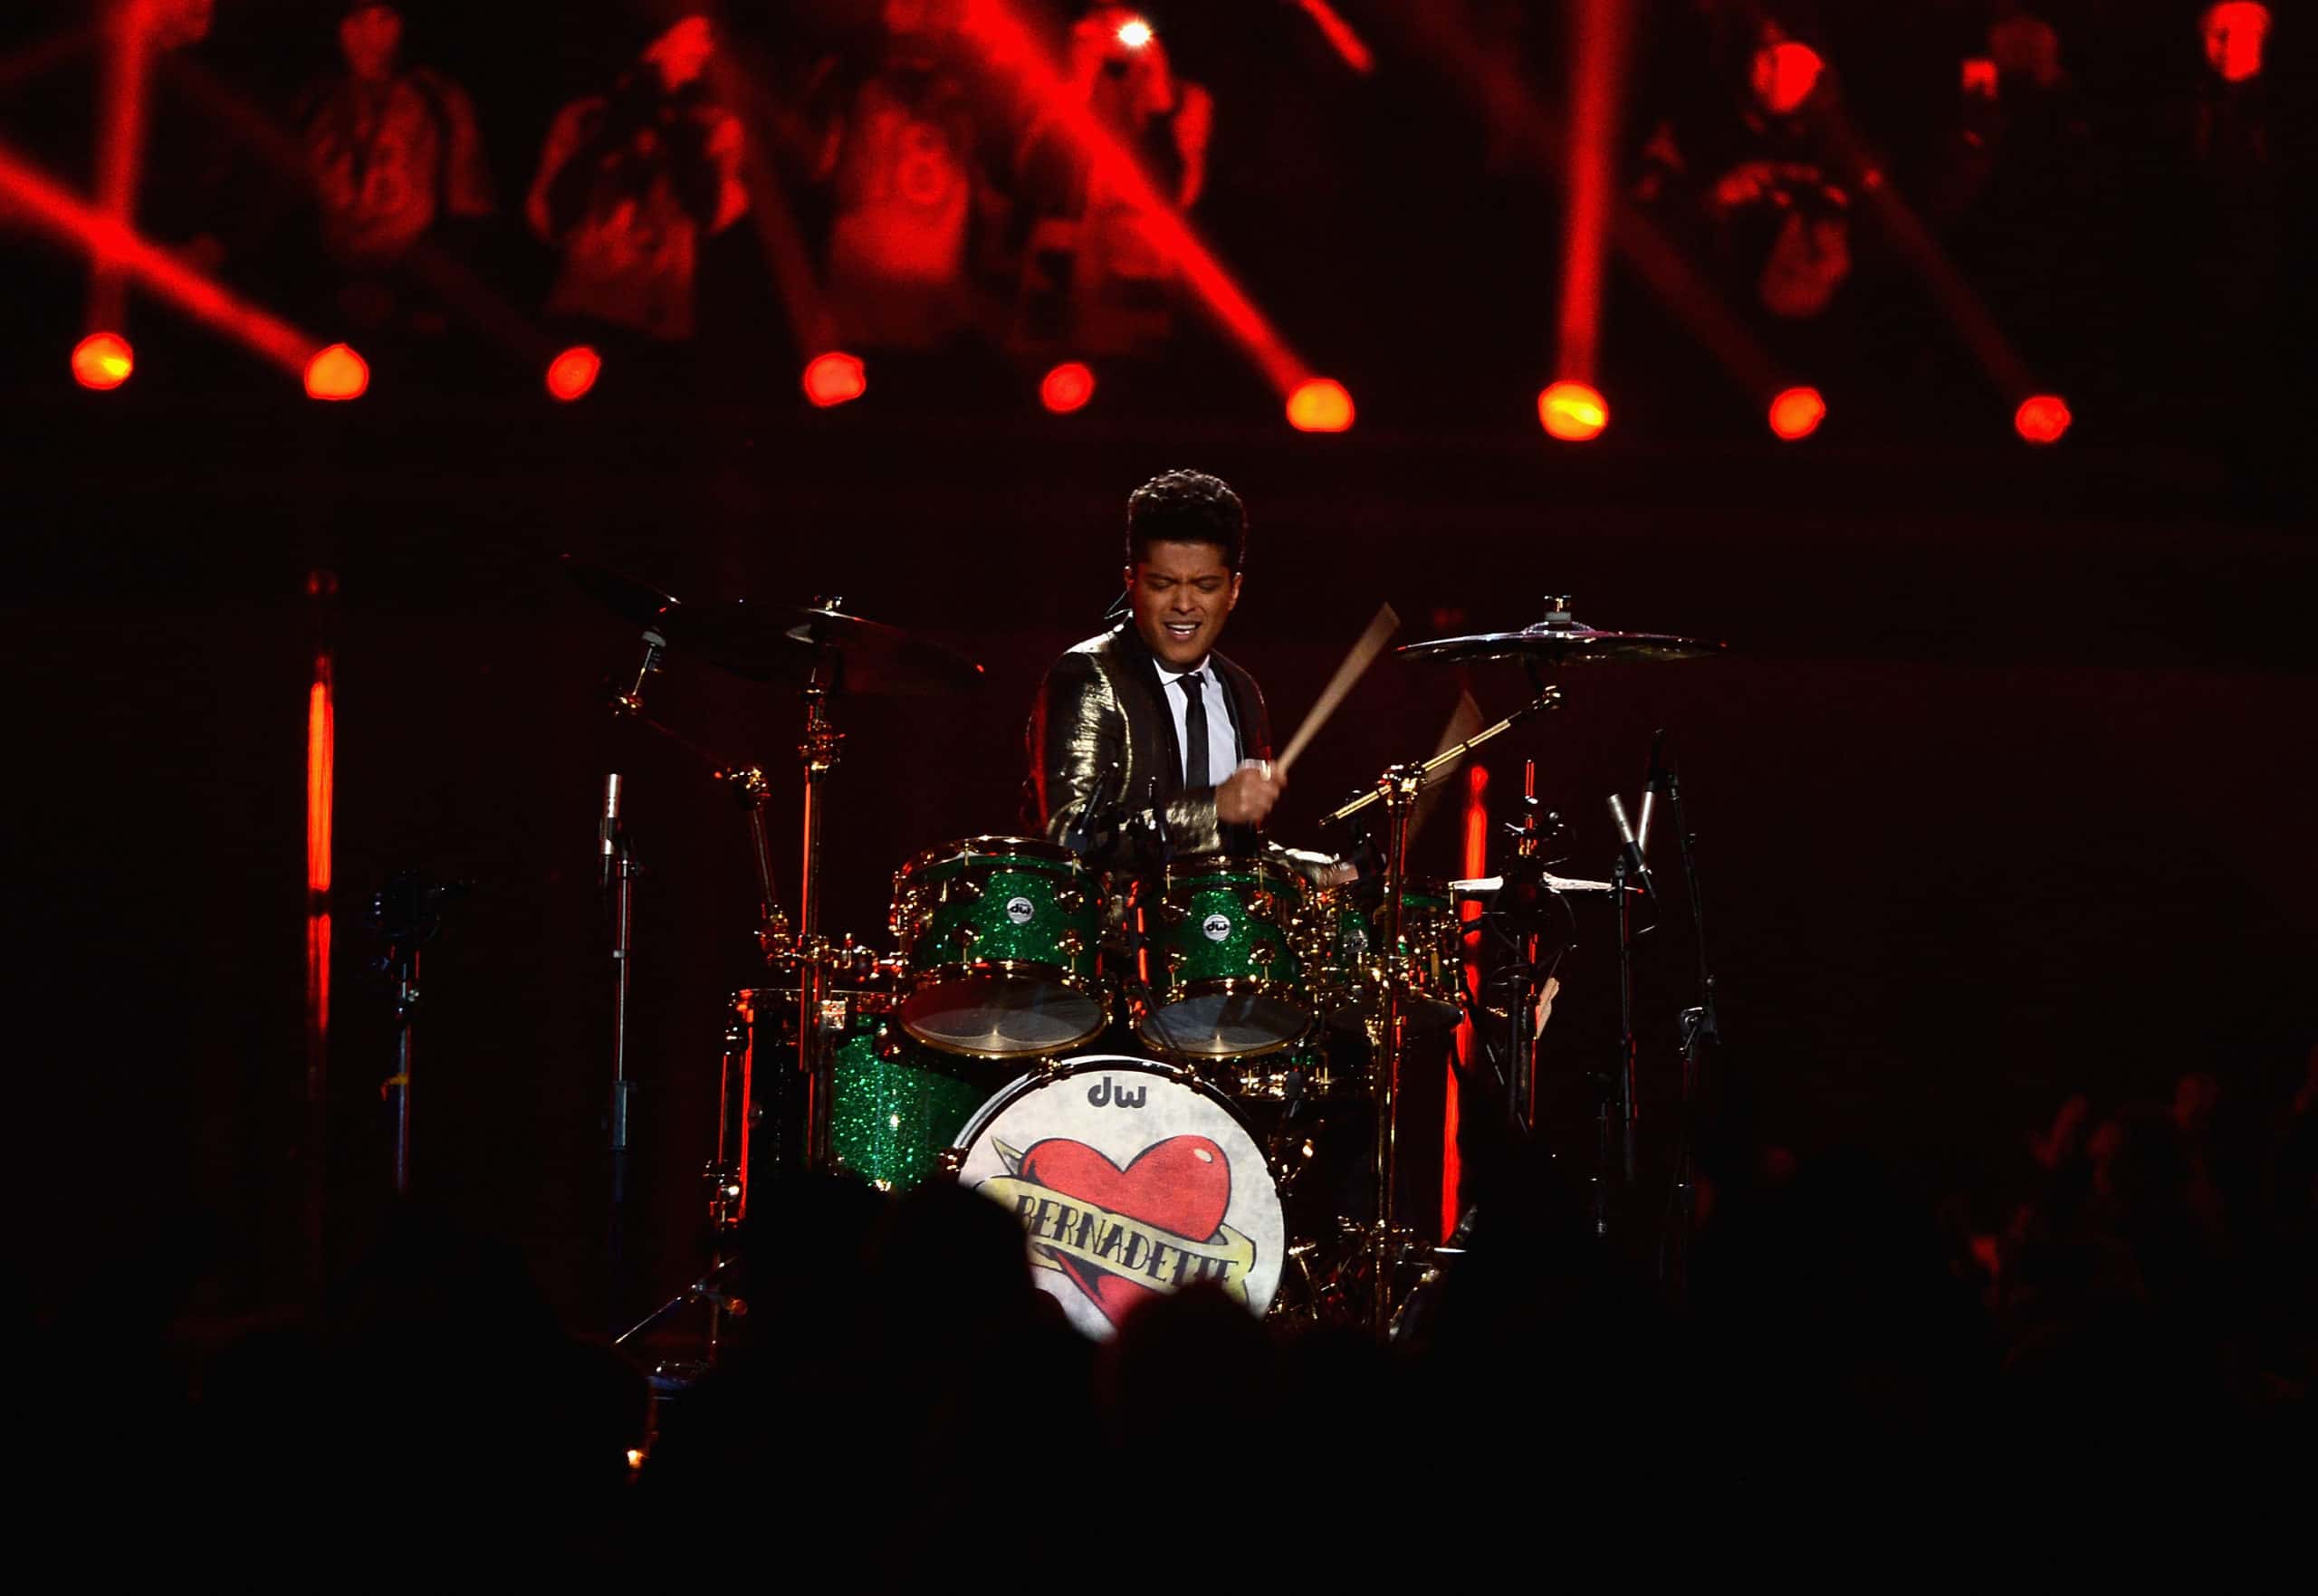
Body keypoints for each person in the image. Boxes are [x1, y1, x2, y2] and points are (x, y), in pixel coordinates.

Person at [1022, 469, 1350, 885]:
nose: (1183, 604)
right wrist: (1212, 808)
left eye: (1205, 586)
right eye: (1162, 584)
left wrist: (1327, 873)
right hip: (1113, 928)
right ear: (1131, 582)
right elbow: (1069, 839)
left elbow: (1240, 852)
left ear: (1233, 590)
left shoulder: (1241, 691)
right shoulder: (1088, 677)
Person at [525, 13, 748, 342]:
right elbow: (551, 221)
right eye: (693, 37)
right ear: (654, 46)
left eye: (710, 39)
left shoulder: (718, 129)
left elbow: (711, 215)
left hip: (659, 318)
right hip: (582, 309)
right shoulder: (585, 116)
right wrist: (610, 134)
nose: (705, 49)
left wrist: (678, 131)